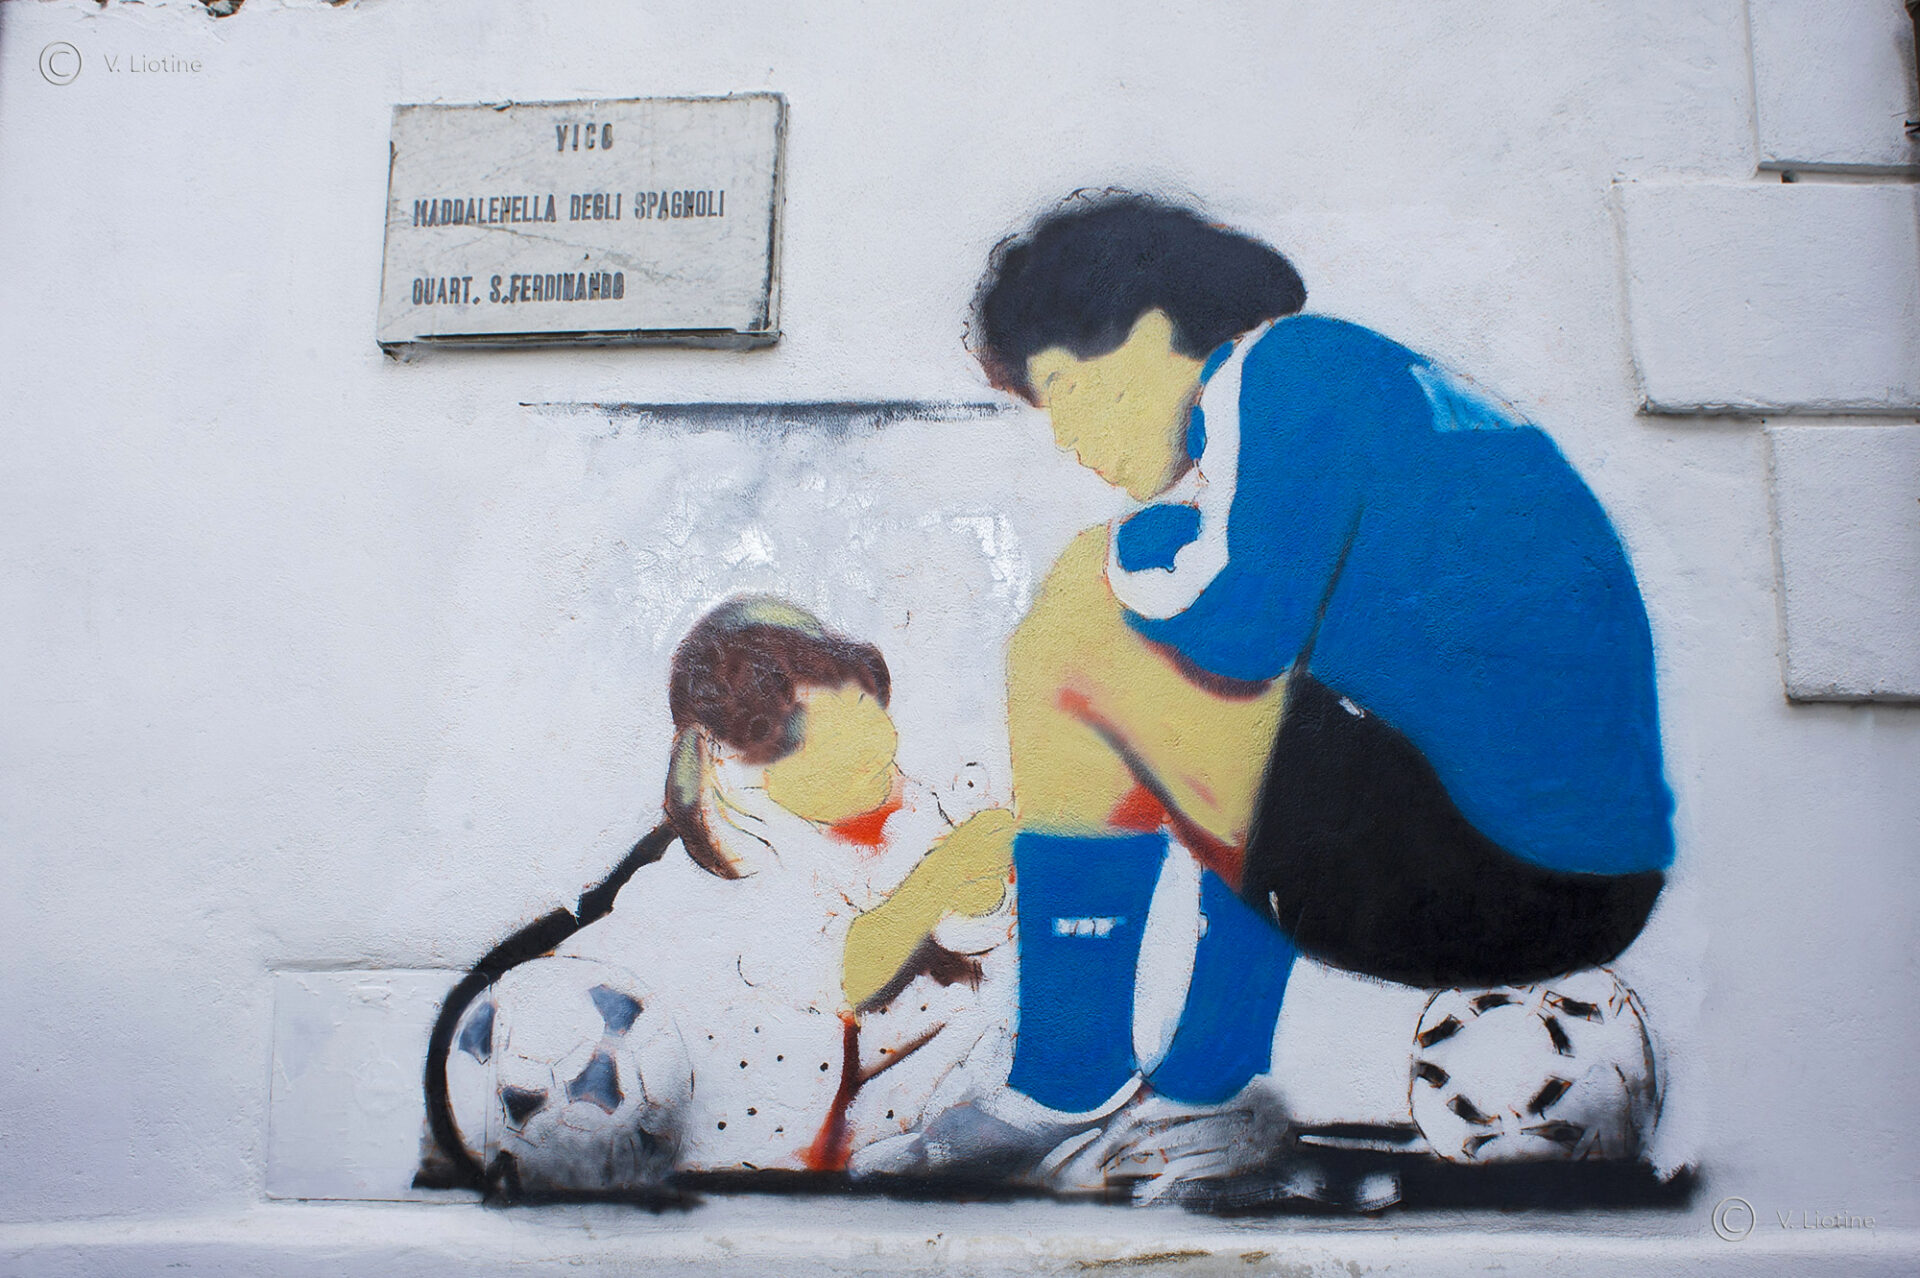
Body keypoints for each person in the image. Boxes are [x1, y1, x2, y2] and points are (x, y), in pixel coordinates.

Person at [958, 192, 1674, 1114]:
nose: (1063, 438)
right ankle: (1203, 1087)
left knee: (1081, 608)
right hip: (1581, 874)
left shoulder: (1285, 368)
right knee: (1268, 707)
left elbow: (1238, 633)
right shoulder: (1376, 384)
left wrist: (1130, 548)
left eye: (1060, 388)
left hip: (1502, 873)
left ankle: (1068, 1080)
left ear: (1146, 332)